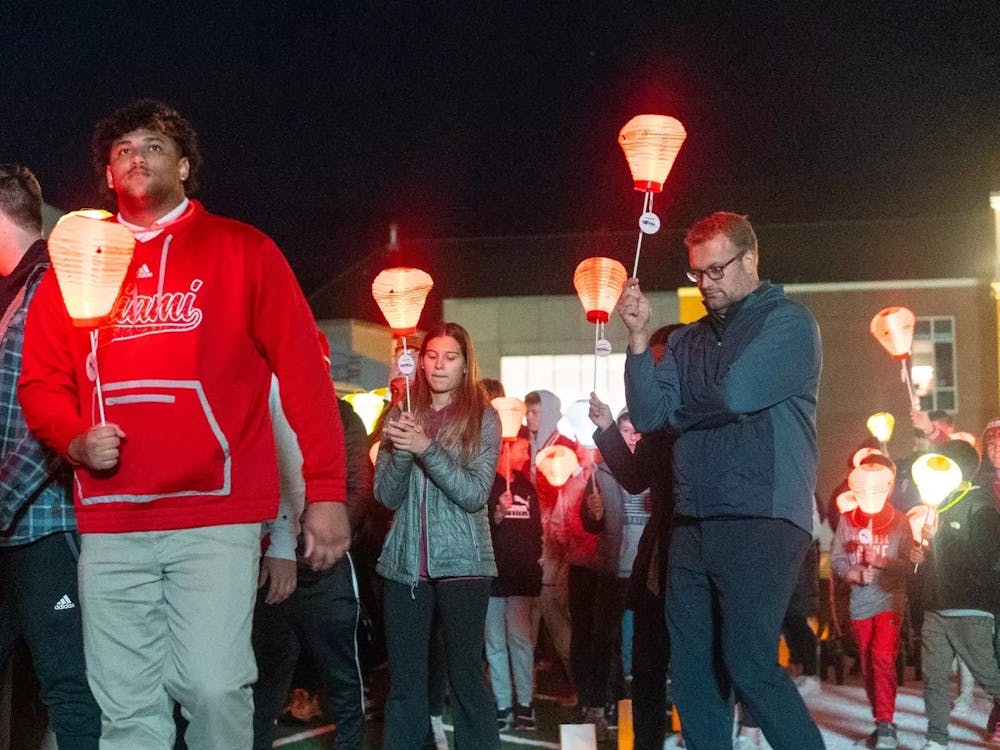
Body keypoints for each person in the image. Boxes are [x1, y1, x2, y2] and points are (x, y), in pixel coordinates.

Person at [17, 100, 350, 750]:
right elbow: (40, 382)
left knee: (214, 685)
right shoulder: (80, 262)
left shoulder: (243, 250)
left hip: (215, 514)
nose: (137, 158)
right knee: (126, 706)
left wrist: (326, 493)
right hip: (112, 520)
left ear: (186, 165)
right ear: (109, 175)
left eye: (153, 146)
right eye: (123, 152)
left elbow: (304, 376)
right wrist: (74, 436)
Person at [619, 211, 824, 749]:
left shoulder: (789, 323)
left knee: (749, 662)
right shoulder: (685, 341)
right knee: (690, 672)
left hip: (763, 513)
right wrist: (640, 341)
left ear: (749, 259)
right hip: (693, 520)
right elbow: (645, 415)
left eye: (716, 270)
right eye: (696, 273)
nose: (705, 283)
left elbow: (737, 394)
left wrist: (680, 412)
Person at [0, 164, 101, 749]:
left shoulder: (51, 289)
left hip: (46, 521)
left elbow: (48, 418)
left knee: (68, 687)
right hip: (18, 525)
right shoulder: (15, 293)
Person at [374, 321, 501, 750]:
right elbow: (386, 496)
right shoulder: (401, 411)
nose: (439, 365)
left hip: (464, 564)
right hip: (404, 565)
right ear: (419, 361)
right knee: (406, 684)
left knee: (465, 677)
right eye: (431, 356)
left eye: (450, 357)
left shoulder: (484, 416)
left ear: (466, 365)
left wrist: (425, 446)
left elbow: (474, 493)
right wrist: (405, 448)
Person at [252, 381, 370, 750]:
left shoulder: (341, 417)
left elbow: (356, 485)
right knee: (265, 683)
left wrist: (323, 538)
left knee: (342, 682)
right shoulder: (265, 409)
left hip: (324, 569)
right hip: (272, 568)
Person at [590, 324, 678, 750]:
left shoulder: (707, 419)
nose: (654, 373)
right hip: (655, 568)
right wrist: (608, 425)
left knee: (698, 670)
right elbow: (633, 477)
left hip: (699, 561)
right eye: (649, 363)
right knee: (646, 670)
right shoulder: (656, 429)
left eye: (661, 363)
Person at [910, 438, 1000, 750]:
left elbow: (988, 558)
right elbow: (933, 556)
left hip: (969, 609)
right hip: (935, 607)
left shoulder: (981, 506)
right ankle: (936, 740)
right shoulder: (937, 505)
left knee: (989, 676)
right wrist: (920, 554)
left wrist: (946, 542)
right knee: (934, 678)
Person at [830, 462, 911, 749]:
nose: (870, 492)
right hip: (859, 603)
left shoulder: (900, 520)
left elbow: (909, 566)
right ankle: (881, 720)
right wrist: (853, 573)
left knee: (882, 656)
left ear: (887, 488)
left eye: (877, 487)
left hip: (890, 601)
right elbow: (837, 559)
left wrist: (881, 562)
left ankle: (887, 724)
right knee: (866, 663)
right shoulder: (847, 520)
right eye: (863, 487)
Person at [486, 431, 543, 731]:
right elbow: (479, 531)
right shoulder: (486, 484)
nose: (526, 454)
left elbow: (536, 532)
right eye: (522, 448)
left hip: (521, 579)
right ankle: (503, 703)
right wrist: (496, 515)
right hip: (492, 577)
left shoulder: (527, 487)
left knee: (520, 641)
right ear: (505, 450)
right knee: (495, 643)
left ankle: (525, 704)